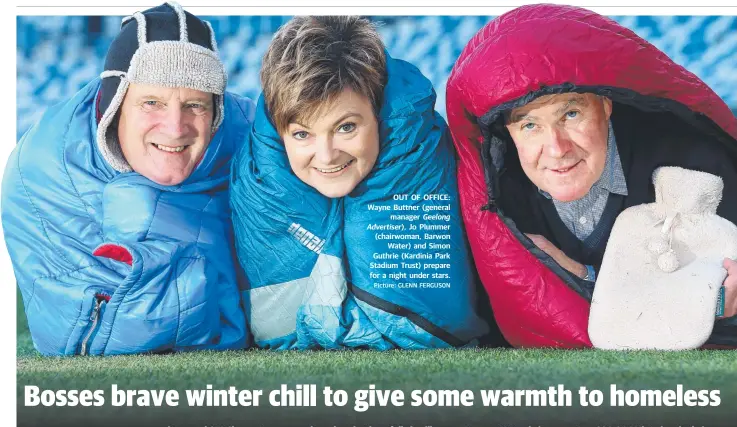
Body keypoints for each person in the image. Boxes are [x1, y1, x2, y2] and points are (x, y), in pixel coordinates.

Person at [445, 4, 737, 348]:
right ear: (508, 134)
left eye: (571, 114)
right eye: (530, 126)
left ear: (605, 104)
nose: (556, 148)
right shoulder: (499, 199)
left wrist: (577, 275)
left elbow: (715, 312)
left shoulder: (696, 168)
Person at [2, 2, 254, 355]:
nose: (175, 128)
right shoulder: (45, 168)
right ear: (115, 107)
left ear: (217, 110)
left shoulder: (248, 134)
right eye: (152, 102)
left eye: (196, 104)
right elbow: (81, 335)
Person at [230, 16, 493, 350]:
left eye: (346, 127)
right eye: (302, 134)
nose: (325, 156)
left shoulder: (428, 155)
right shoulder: (257, 178)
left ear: (379, 117)